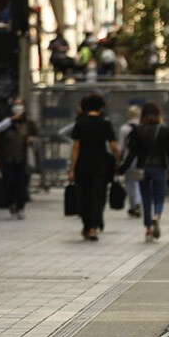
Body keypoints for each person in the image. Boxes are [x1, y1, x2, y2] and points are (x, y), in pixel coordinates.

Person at [120, 102, 169, 240]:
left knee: (146, 198)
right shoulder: (164, 130)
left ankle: (148, 230)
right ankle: (156, 216)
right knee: (159, 196)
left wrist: (122, 169)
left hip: (142, 168)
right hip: (159, 168)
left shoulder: (138, 131)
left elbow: (132, 153)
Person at [67, 93, 119, 241]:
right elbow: (113, 145)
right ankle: (94, 227)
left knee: (84, 195)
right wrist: (118, 160)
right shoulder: (105, 123)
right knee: (99, 196)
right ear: (101, 107)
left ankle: (86, 225)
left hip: (83, 165)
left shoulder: (80, 123)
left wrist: (72, 168)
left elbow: (76, 147)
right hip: (100, 165)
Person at [0, 97, 38, 220]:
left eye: (20, 104)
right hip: (7, 158)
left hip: (22, 159)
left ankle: (20, 207)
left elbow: (36, 135)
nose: (18, 107)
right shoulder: (7, 122)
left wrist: (31, 139)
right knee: (9, 183)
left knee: (22, 184)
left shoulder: (29, 122)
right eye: (15, 104)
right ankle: (11, 204)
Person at [118, 106, 144, 218]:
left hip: (129, 159)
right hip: (142, 158)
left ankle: (134, 205)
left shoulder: (124, 128)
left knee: (131, 183)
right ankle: (139, 202)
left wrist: (118, 160)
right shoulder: (144, 127)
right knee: (140, 182)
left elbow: (121, 146)